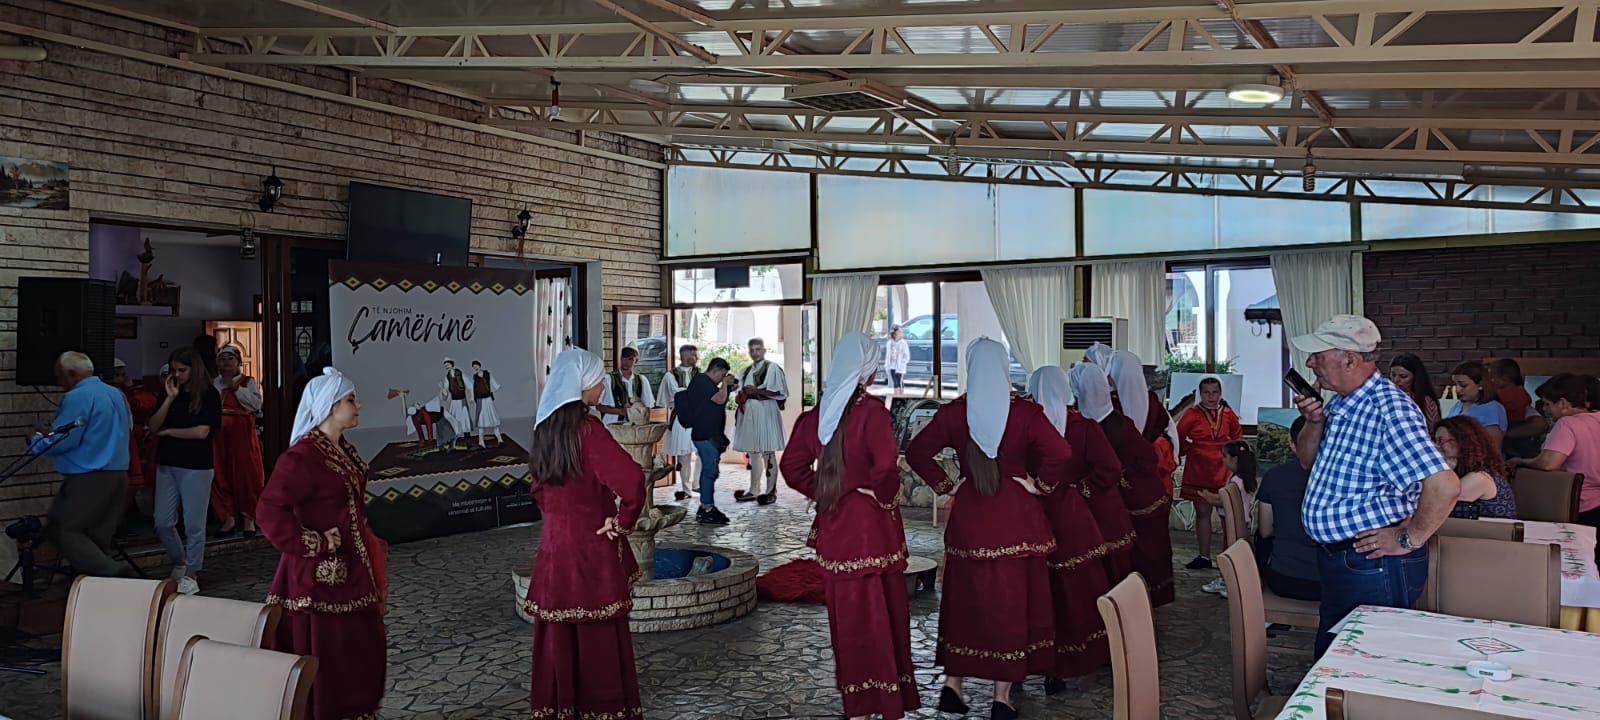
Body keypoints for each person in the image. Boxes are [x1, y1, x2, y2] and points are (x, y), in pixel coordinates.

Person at [906, 338, 1064, 720]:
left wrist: (948, 485)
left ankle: (953, 685)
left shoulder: (954, 413)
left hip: (971, 518)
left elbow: (916, 452)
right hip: (1016, 520)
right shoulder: (1025, 413)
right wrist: (1039, 485)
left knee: (964, 601)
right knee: (1010, 605)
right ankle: (1000, 698)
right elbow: (1061, 453)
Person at [1290, 314, 1459, 658]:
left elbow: (1445, 485)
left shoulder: (1389, 408)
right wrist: (1313, 421)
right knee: (1338, 652)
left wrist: (1408, 538)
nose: (1310, 364)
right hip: (1347, 558)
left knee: (1364, 659)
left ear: (1350, 359)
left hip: (1372, 563)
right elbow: (1307, 460)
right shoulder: (1342, 401)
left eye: (1318, 355)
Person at [780, 333, 919, 720]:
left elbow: (791, 467)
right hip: (874, 528)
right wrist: (880, 495)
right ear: (866, 371)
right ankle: (885, 699)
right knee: (885, 614)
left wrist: (827, 492)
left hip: (837, 528)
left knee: (848, 619)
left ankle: (857, 704)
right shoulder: (872, 413)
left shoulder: (816, 415)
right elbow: (886, 469)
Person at [257, 367, 387, 720]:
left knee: (359, 648)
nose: (358, 406)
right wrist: (312, 541)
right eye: (350, 400)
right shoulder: (303, 457)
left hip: (353, 566)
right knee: (330, 655)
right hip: (318, 577)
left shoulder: (340, 449)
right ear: (331, 405)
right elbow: (268, 510)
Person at [523, 348, 646, 720]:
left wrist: (561, 518)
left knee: (558, 632)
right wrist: (621, 521)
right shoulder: (588, 430)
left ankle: (561, 707)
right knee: (598, 634)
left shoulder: (545, 430)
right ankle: (602, 708)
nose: (602, 387)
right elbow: (633, 481)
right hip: (591, 546)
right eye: (597, 380)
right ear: (579, 386)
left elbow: (538, 489)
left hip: (555, 547)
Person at [1027, 366, 1113, 688]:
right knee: (1076, 590)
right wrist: (1081, 490)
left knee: (1036, 591)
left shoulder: (1024, 425)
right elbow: (1110, 467)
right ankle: (1073, 659)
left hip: (1032, 514)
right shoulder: (1084, 427)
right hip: (1069, 514)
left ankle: (1030, 661)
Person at [30, 351, 132, 578]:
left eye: (59, 376)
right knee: (97, 538)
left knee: (63, 528)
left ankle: (115, 573)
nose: (58, 383)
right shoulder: (115, 393)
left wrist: (37, 441)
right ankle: (98, 590)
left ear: (72, 373)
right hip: (118, 473)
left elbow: (66, 438)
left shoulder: (78, 396)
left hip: (90, 476)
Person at [1094, 369, 1175, 608]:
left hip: (1137, 488)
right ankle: (1140, 596)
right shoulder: (1118, 407)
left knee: (1148, 546)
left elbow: (1151, 451)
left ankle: (1143, 595)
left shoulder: (1113, 412)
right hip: (1139, 487)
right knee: (1141, 546)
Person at [149, 348, 223, 596]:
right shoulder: (169, 391)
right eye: (174, 370)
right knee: (162, 521)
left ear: (194, 369)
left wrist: (170, 432)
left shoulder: (209, 394)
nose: (177, 375)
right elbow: (153, 426)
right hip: (167, 462)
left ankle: (192, 572)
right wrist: (169, 398)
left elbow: (202, 432)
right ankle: (179, 561)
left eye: (182, 370)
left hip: (196, 465)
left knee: (193, 523)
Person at [1065, 363, 1137, 585]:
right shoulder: (1076, 421)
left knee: (1106, 564)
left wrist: (1084, 488)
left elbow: (1112, 466)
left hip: (1099, 503)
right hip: (1099, 502)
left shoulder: (1083, 425)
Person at [1512, 374, 1600, 545]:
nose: (1544, 409)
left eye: (1547, 404)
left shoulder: (1567, 424)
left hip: (1576, 504)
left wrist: (1521, 462)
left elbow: (1549, 463)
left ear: (1563, 403)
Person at [1175, 376, 1243, 570]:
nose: (1211, 397)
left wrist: (1237, 462)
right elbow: (1178, 436)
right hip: (1199, 468)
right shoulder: (1192, 413)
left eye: (1214, 392)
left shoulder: (1228, 414)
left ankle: (1230, 557)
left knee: (1227, 513)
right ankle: (1204, 556)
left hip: (1224, 467)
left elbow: (1238, 438)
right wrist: (1190, 450)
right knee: (1202, 512)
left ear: (1220, 393)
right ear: (1200, 393)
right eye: (1206, 392)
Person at [1254, 417, 1322, 602]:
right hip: (1331, 583)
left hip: (1284, 579)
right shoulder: (1344, 478)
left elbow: (1265, 531)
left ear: (1292, 444)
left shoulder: (1273, 476)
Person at [1105, 350, 1179, 497]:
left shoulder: (1109, 404)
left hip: (1121, 471)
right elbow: (1171, 432)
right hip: (1155, 470)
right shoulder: (1152, 400)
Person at [675, 357, 736, 525]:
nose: (722, 379)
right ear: (715, 370)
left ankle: (706, 506)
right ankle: (707, 507)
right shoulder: (702, 382)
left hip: (708, 435)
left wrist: (727, 387)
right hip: (705, 436)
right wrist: (725, 384)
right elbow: (719, 399)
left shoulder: (705, 384)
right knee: (709, 471)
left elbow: (716, 402)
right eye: (722, 375)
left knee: (710, 470)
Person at [211, 345, 263, 537]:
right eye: (222, 359)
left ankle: (249, 517)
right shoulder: (213, 384)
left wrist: (237, 389)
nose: (226, 362)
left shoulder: (248, 382)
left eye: (230, 358)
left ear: (238, 362)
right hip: (219, 434)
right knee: (220, 474)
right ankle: (228, 517)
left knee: (246, 474)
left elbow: (256, 405)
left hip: (242, 435)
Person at [733, 338, 788, 505]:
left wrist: (757, 391)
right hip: (749, 412)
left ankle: (771, 491)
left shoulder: (772, 368)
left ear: (764, 350)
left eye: (758, 349)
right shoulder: (745, 371)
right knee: (754, 452)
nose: (755, 353)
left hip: (765, 411)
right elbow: (738, 389)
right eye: (752, 350)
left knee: (768, 451)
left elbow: (780, 392)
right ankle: (754, 490)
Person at [1199, 440, 1257, 596]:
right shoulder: (1242, 478)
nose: (1222, 460)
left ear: (1235, 459)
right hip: (1236, 520)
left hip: (1233, 520)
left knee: (1230, 551)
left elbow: (1225, 500)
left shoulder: (1237, 480)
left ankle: (1227, 581)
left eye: (1225, 456)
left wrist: (1209, 497)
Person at [1433, 416, 1517, 520]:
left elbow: (1436, 502)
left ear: (1461, 442)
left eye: (1440, 440)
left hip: (1487, 530)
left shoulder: (1480, 477)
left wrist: (1445, 471)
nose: (1436, 446)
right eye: (1434, 441)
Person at [657, 345, 702, 501]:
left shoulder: (700, 374)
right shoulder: (671, 376)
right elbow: (676, 395)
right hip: (682, 417)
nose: (697, 358)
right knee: (684, 455)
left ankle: (697, 484)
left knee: (703, 451)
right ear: (685, 356)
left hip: (699, 417)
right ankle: (686, 488)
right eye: (694, 355)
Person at [113, 358, 158, 493]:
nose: (120, 379)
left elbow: (145, 405)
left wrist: (131, 388)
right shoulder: (107, 392)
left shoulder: (127, 392)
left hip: (129, 435)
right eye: (116, 375)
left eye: (123, 375)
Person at [1489, 359, 1548, 458]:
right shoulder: (1521, 394)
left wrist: (1504, 433)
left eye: (1491, 377)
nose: (1489, 381)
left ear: (1505, 379)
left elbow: (1541, 425)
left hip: (1514, 448)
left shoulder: (1500, 396)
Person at [1447, 360, 1508, 454]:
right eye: (1456, 385)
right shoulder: (1457, 405)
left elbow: (1494, 448)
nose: (1458, 390)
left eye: (1463, 385)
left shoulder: (1491, 409)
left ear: (1480, 385)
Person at [598, 347, 655, 425]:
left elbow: (648, 406)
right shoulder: (608, 379)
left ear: (636, 361)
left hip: (635, 426)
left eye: (630, 359)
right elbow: (598, 406)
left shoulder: (642, 380)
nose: (626, 362)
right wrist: (620, 411)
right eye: (624, 358)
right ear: (621, 358)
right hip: (611, 425)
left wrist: (637, 405)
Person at [1389, 353, 1441, 431]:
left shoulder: (1425, 401)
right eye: (1393, 375)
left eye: (1403, 376)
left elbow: (1433, 430)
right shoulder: (1383, 396)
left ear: (1415, 378)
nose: (1396, 380)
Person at [439, 358, 472, 450]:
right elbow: (446, 392)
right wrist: (442, 389)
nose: (447, 366)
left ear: (452, 364)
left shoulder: (460, 373)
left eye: (448, 364)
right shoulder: (447, 377)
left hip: (462, 401)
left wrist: (472, 396)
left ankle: (468, 442)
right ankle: (452, 444)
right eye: (445, 365)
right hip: (454, 402)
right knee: (454, 422)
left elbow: (469, 384)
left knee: (465, 421)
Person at [469, 360, 503, 446]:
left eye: (476, 366)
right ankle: (481, 441)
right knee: (481, 421)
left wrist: (495, 387)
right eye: (473, 367)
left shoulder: (487, 374)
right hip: (480, 400)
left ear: (479, 366)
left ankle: (499, 439)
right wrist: (472, 397)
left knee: (493, 419)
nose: (475, 368)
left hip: (488, 399)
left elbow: (492, 383)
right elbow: (473, 388)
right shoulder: (475, 377)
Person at [885, 325, 910, 392]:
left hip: (900, 365)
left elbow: (906, 355)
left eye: (901, 332)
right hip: (892, 365)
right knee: (895, 383)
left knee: (899, 382)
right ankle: (896, 395)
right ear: (894, 333)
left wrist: (903, 362)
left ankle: (900, 395)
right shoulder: (889, 343)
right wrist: (887, 366)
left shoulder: (903, 343)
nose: (901, 333)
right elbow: (887, 356)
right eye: (899, 331)